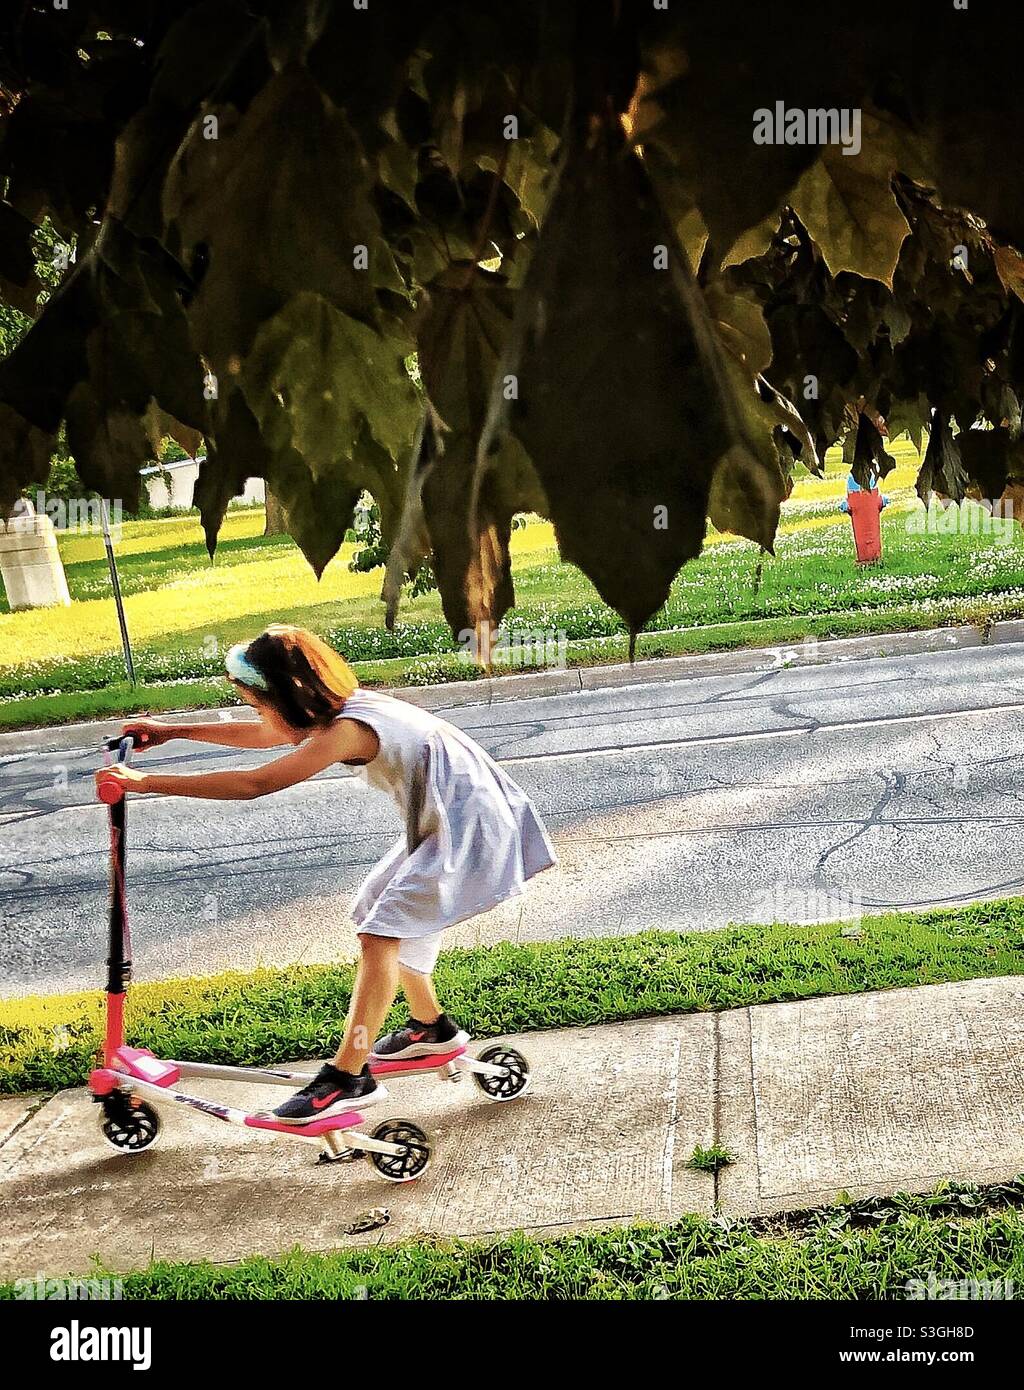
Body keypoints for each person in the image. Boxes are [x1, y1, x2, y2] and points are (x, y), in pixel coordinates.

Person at [95, 624, 557, 1123]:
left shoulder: (349, 730)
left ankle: (346, 1077)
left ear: (287, 697)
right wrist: (173, 732)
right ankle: (430, 1028)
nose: (257, 715)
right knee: (374, 908)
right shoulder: (341, 707)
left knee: (380, 933)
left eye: (256, 703)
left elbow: (257, 782)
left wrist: (144, 782)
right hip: (454, 823)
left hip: (470, 833)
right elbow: (269, 734)